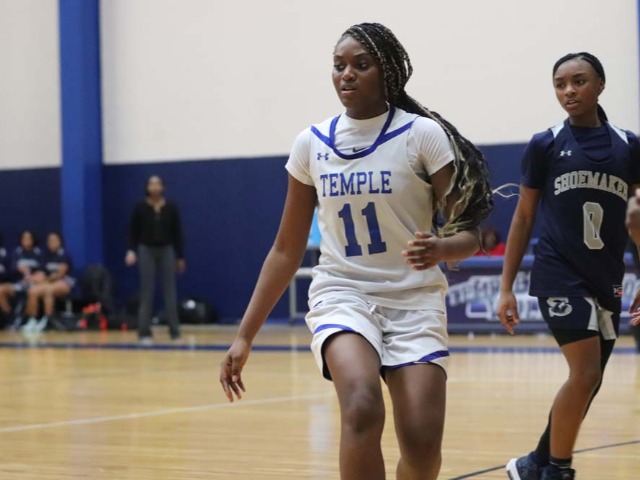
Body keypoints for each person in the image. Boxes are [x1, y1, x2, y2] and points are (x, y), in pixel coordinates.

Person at [219, 22, 492, 480]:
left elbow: (471, 234)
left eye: (360, 65)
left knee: (423, 445)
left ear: (386, 72)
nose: (346, 74)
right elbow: (285, 249)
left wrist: (442, 248)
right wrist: (244, 336)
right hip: (343, 294)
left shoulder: (421, 135)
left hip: (414, 300)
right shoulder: (312, 144)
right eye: (339, 65)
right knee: (362, 405)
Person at [497, 52, 640, 480]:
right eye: (560, 84)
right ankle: (558, 471)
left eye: (578, 81)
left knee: (589, 381)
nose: (568, 91)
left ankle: (533, 465)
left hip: (607, 276)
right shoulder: (545, 143)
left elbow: (638, 221)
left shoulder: (629, 145)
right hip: (558, 273)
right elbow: (523, 217)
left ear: (600, 85)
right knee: (586, 372)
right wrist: (506, 287)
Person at [126, 175, 185, 343]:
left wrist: (180, 256)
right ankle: (144, 332)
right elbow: (132, 231)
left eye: (158, 183)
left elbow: (177, 232)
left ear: (162, 187)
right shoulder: (140, 207)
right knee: (147, 291)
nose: (155, 187)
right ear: (147, 187)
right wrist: (131, 250)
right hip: (146, 250)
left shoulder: (170, 207)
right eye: (151, 184)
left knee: (169, 291)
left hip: (167, 249)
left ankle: (175, 331)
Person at [20, 232, 75, 333]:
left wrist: (45, 280)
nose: (51, 243)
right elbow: (41, 272)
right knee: (33, 291)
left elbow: (60, 274)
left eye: (54, 240)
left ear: (60, 241)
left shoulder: (64, 254)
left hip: (64, 282)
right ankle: (32, 320)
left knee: (48, 290)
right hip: (48, 282)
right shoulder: (46, 255)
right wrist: (32, 278)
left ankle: (48, 320)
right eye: (49, 241)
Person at [0, 230, 42, 327]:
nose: (26, 240)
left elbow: (43, 272)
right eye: (24, 238)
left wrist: (32, 277)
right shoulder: (16, 253)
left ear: (33, 240)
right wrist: (18, 270)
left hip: (34, 284)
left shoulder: (39, 253)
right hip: (19, 284)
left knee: (32, 291)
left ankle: (28, 320)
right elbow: (10, 272)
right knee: (0, 290)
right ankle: (11, 318)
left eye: (28, 238)